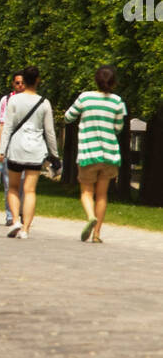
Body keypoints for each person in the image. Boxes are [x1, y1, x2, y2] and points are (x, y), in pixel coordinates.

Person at [64, 65, 127, 243]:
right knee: (102, 195)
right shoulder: (117, 102)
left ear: (96, 80)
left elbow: (68, 117)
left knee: (86, 192)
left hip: (88, 153)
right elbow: (118, 128)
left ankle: (90, 216)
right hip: (109, 154)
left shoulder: (85, 97)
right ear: (113, 82)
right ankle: (97, 234)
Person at [0, 66, 59, 238]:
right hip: (35, 151)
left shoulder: (14, 101)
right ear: (38, 80)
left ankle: (15, 220)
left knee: (13, 188)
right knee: (30, 190)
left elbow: (7, 127)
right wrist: (55, 155)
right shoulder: (44, 103)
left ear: (23, 80)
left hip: (16, 149)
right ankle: (25, 229)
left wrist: (2, 150)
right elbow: (50, 132)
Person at [0, 72, 25, 226]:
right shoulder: (6, 100)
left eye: (22, 83)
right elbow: (1, 124)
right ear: (13, 84)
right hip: (10, 147)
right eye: (17, 83)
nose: (20, 85)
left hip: (26, 148)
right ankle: (10, 215)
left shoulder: (32, 100)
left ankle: (21, 212)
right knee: (9, 183)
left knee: (25, 182)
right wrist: (2, 149)